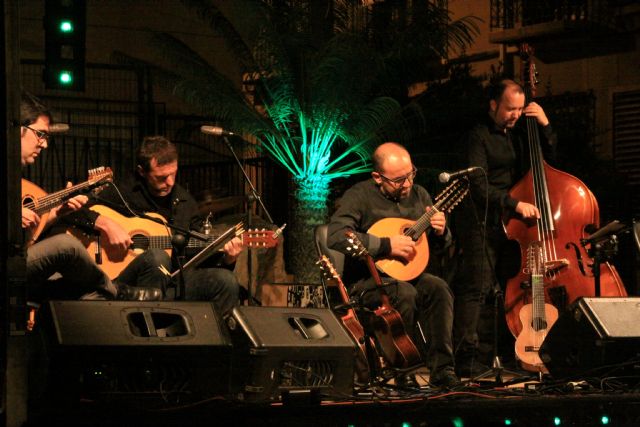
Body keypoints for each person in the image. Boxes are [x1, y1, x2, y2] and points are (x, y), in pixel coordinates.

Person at [327, 142, 459, 389]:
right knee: (404, 293)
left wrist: (442, 233)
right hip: (367, 282)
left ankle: (443, 370)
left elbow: (434, 250)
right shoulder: (359, 196)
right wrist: (386, 245)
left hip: (407, 274)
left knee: (439, 289)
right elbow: (335, 235)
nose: (407, 184)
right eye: (399, 180)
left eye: (411, 175)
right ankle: (403, 369)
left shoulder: (420, 195)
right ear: (378, 177)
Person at [66, 136, 243, 316]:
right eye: (161, 177)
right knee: (157, 258)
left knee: (225, 280)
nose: (170, 182)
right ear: (142, 171)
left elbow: (197, 249)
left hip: (172, 284)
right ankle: (146, 336)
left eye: (173, 174)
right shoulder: (122, 191)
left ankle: (208, 342)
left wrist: (228, 260)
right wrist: (106, 225)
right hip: (125, 285)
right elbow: (71, 210)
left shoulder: (184, 201)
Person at [452, 79, 557, 377]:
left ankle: (508, 351)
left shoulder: (521, 134)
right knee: (478, 288)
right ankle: (468, 360)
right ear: (493, 105)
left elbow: (549, 163)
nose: (515, 115)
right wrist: (514, 203)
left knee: (508, 287)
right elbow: (478, 185)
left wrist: (545, 126)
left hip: (513, 225)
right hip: (481, 220)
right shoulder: (477, 136)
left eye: (520, 109)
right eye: (510, 109)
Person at [20, 91, 118, 301]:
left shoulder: (17, 179)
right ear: (18, 128)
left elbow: (28, 238)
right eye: (40, 134)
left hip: (17, 260)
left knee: (78, 288)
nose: (44, 144)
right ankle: (118, 291)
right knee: (67, 246)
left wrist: (57, 213)